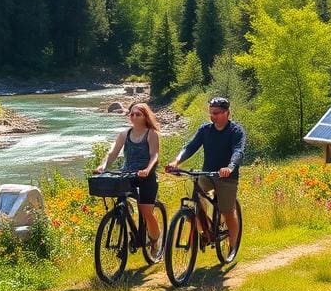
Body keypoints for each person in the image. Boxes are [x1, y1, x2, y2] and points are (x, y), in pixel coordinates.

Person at [165, 95, 244, 259]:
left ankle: (232, 246)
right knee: (196, 203)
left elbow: (238, 151)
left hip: (227, 177)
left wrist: (229, 167)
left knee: (228, 211)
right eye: (211, 113)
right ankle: (206, 231)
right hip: (207, 174)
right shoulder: (205, 130)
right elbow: (190, 147)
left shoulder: (236, 131)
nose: (212, 116)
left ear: (226, 113)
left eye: (216, 113)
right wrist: (176, 161)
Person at [95, 101, 163, 255]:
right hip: (127, 175)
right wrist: (103, 166)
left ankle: (154, 241)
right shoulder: (124, 134)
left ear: (145, 117)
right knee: (120, 203)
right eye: (131, 114)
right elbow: (112, 153)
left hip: (146, 177)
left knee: (146, 212)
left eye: (137, 114)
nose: (133, 116)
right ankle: (126, 227)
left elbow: (154, 156)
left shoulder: (151, 134)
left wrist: (147, 169)